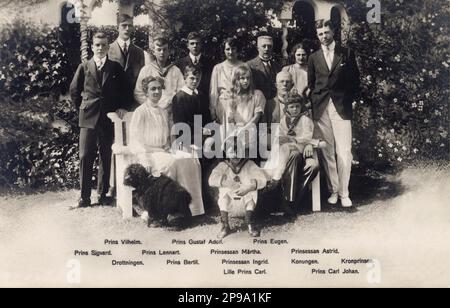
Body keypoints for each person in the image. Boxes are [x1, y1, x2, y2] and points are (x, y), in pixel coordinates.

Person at [129, 76, 205, 217]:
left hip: (165, 150)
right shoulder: (141, 112)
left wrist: (176, 149)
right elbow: (135, 140)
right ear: (146, 92)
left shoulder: (164, 112)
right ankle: (167, 210)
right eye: (153, 89)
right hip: (148, 154)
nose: (157, 91)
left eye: (159, 88)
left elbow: (170, 139)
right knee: (172, 163)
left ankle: (193, 209)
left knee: (191, 160)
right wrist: (145, 159)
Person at [69, 32, 129, 208]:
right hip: (88, 118)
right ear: (92, 47)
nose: (100, 48)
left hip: (107, 118)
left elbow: (125, 91)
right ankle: (84, 197)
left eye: (103, 45)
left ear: (108, 47)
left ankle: (103, 195)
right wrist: (84, 107)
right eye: (97, 45)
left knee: (105, 156)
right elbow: (74, 91)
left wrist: (121, 106)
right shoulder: (84, 67)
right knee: (85, 156)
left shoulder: (115, 67)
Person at [307, 20, 360, 207]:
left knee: (344, 151)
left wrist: (347, 99)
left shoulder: (346, 53)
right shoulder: (313, 58)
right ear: (317, 35)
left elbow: (355, 81)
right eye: (320, 34)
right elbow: (312, 84)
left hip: (341, 107)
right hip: (321, 109)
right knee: (327, 151)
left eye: (326, 32)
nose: (324, 36)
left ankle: (345, 193)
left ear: (333, 32)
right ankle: (333, 191)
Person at [264, 93, 321, 215]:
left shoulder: (305, 119)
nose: (294, 109)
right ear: (286, 108)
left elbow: (307, 137)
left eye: (297, 106)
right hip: (287, 153)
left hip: (301, 150)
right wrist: (284, 139)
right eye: (291, 107)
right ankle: (288, 202)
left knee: (297, 155)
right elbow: (280, 136)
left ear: (301, 107)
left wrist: (293, 140)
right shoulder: (284, 120)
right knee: (287, 151)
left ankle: (287, 197)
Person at [209, 137, 267, 239]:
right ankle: (225, 225)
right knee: (223, 192)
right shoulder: (223, 165)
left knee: (253, 187)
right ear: (226, 153)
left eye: (238, 151)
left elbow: (262, 179)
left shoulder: (249, 164)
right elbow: (211, 180)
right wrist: (226, 183)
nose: (235, 154)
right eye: (232, 151)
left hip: (246, 204)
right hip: (229, 206)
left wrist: (249, 187)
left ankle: (249, 223)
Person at [221, 64, 265, 154]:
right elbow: (230, 117)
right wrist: (236, 130)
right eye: (242, 78)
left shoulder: (257, 94)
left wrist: (245, 128)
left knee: (247, 151)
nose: (246, 81)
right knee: (232, 148)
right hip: (235, 129)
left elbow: (257, 116)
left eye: (248, 78)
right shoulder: (232, 96)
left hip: (250, 128)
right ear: (237, 79)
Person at [134, 36, 184, 110]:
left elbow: (181, 91)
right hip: (151, 111)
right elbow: (138, 92)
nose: (162, 52)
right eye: (159, 49)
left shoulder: (176, 70)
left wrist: (172, 105)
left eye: (164, 49)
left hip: (171, 110)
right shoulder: (146, 70)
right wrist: (152, 105)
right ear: (153, 51)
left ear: (169, 51)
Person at [108, 13, 146, 110]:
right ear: (117, 27)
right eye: (124, 25)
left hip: (133, 103)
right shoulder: (108, 50)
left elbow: (142, 80)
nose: (127, 28)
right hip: (112, 103)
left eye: (130, 26)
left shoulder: (139, 52)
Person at [172, 65, 211, 149]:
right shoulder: (179, 98)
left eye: (198, 79)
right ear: (185, 78)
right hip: (186, 136)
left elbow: (206, 116)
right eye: (192, 78)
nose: (195, 81)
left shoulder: (201, 95)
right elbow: (180, 123)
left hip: (202, 134)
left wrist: (208, 127)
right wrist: (200, 130)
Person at [209, 37, 244, 123]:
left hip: (241, 105)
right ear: (224, 50)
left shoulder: (244, 66)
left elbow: (249, 88)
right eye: (228, 49)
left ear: (237, 49)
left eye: (233, 49)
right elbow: (213, 92)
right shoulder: (218, 68)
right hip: (223, 106)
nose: (230, 52)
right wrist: (213, 110)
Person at [175, 32, 214, 103]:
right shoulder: (180, 64)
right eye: (192, 43)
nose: (195, 46)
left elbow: (212, 87)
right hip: (185, 102)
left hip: (204, 103)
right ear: (187, 45)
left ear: (201, 45)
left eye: (197, 43)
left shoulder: (210, 64)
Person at [247, 35, 281, 101]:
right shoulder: (249, 65)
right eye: (264, 46)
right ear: (258, 48)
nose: (267, 49)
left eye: (269, 46)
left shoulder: (277, 66)